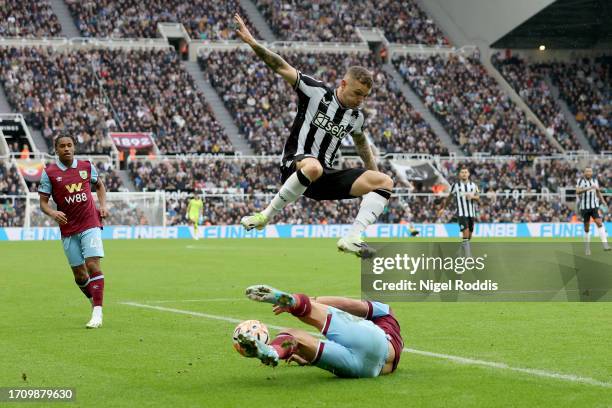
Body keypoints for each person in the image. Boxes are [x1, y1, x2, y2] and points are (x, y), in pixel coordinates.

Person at [233, 14, 394, 258]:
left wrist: (374, 173)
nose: (360, 100)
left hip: (323, 177)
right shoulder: (314, 92)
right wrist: (253, 42)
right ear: (343, 84)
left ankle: (352, 237)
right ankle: (265, 216)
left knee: (385, 182)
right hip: (295, 164)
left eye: (365, 96)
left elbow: (362, 144)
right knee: (314, 166)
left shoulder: (355, 117)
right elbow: (280, 66)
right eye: (357, 93)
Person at [235, 284, 403, 378]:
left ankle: (292, 301)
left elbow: (348, 305)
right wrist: (307, 358)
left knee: (312, 314)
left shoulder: (386, 310)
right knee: (295, 339)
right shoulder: (395, 338)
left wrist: (313, 301)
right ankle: (272, 351)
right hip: (367, 370)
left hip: (371, 347)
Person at [38, 135, 108, 328]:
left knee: (93, 264)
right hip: (68, 228)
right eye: (62, 146)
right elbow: (43, 203)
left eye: (69, 145)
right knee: (80, 275)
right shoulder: (49, 173)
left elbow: (99, 185)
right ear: (56, 149)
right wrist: (53, 212)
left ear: (74, 147)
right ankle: (93, 301)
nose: (66, 149)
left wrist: (102, 205)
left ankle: (97, 313)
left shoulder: (86, 166)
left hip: (90, 222)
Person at [437, 167, 479, 257]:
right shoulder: (455, 186)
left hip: (471, 213)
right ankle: (468, 256)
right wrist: (443, 208)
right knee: (466, 231)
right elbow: (449, 197)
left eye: (465, 172)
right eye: (462, 172)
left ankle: (460, 251)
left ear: (468, 174)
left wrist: (472, 197)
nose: (464, 174)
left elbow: (478, 197)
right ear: (460, 175)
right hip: (461, 213)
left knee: (469, 235)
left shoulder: (473, 185)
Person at [576, 167, 610, 255]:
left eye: (590, 171)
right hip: (584, 208)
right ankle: (587, 248)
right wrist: (589, 188)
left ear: (591, 173)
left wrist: (602, 200)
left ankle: (605, 244)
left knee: (599, 223)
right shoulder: (580, 181)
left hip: (594, 206)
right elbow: (577, 191)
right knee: (586, 228)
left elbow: (598, 192)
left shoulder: (595, 180)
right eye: (587, 171)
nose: (588, 172)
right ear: (584, 173)